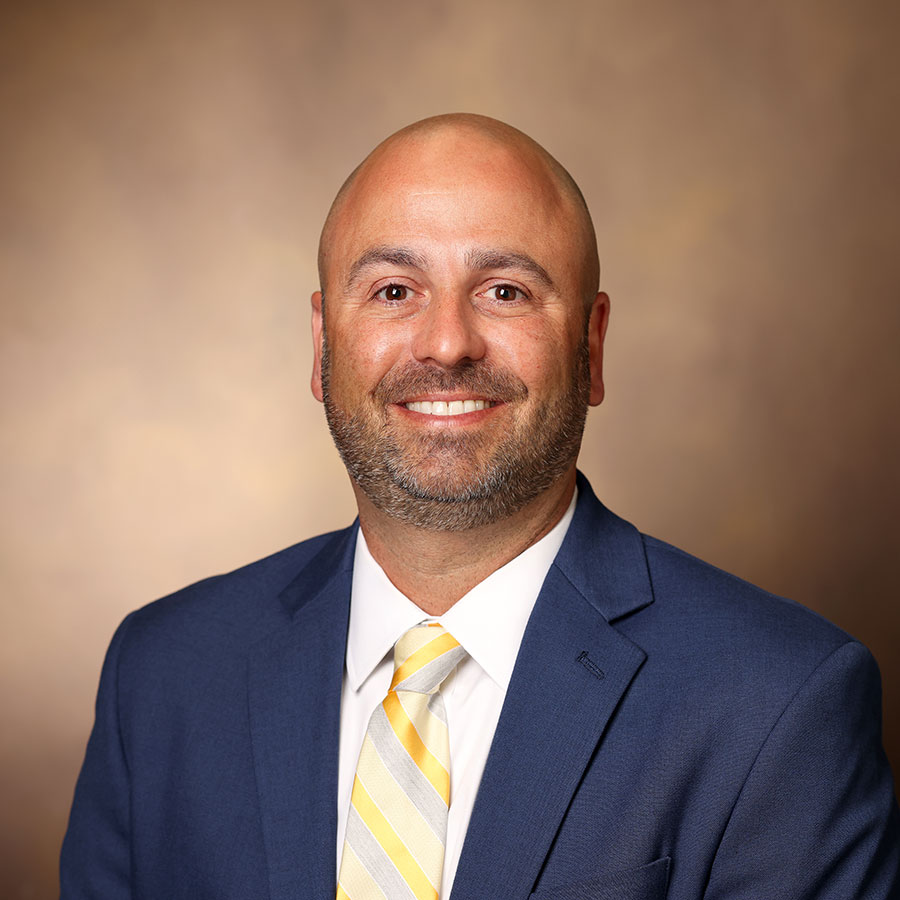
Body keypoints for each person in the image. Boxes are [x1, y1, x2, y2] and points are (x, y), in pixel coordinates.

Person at [61, 114, 899, 900]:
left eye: (505, 291)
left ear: (592, 347)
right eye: (393, 291)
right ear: (322, 350)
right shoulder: (162, 672)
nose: (447, 343)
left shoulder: (778, 702)